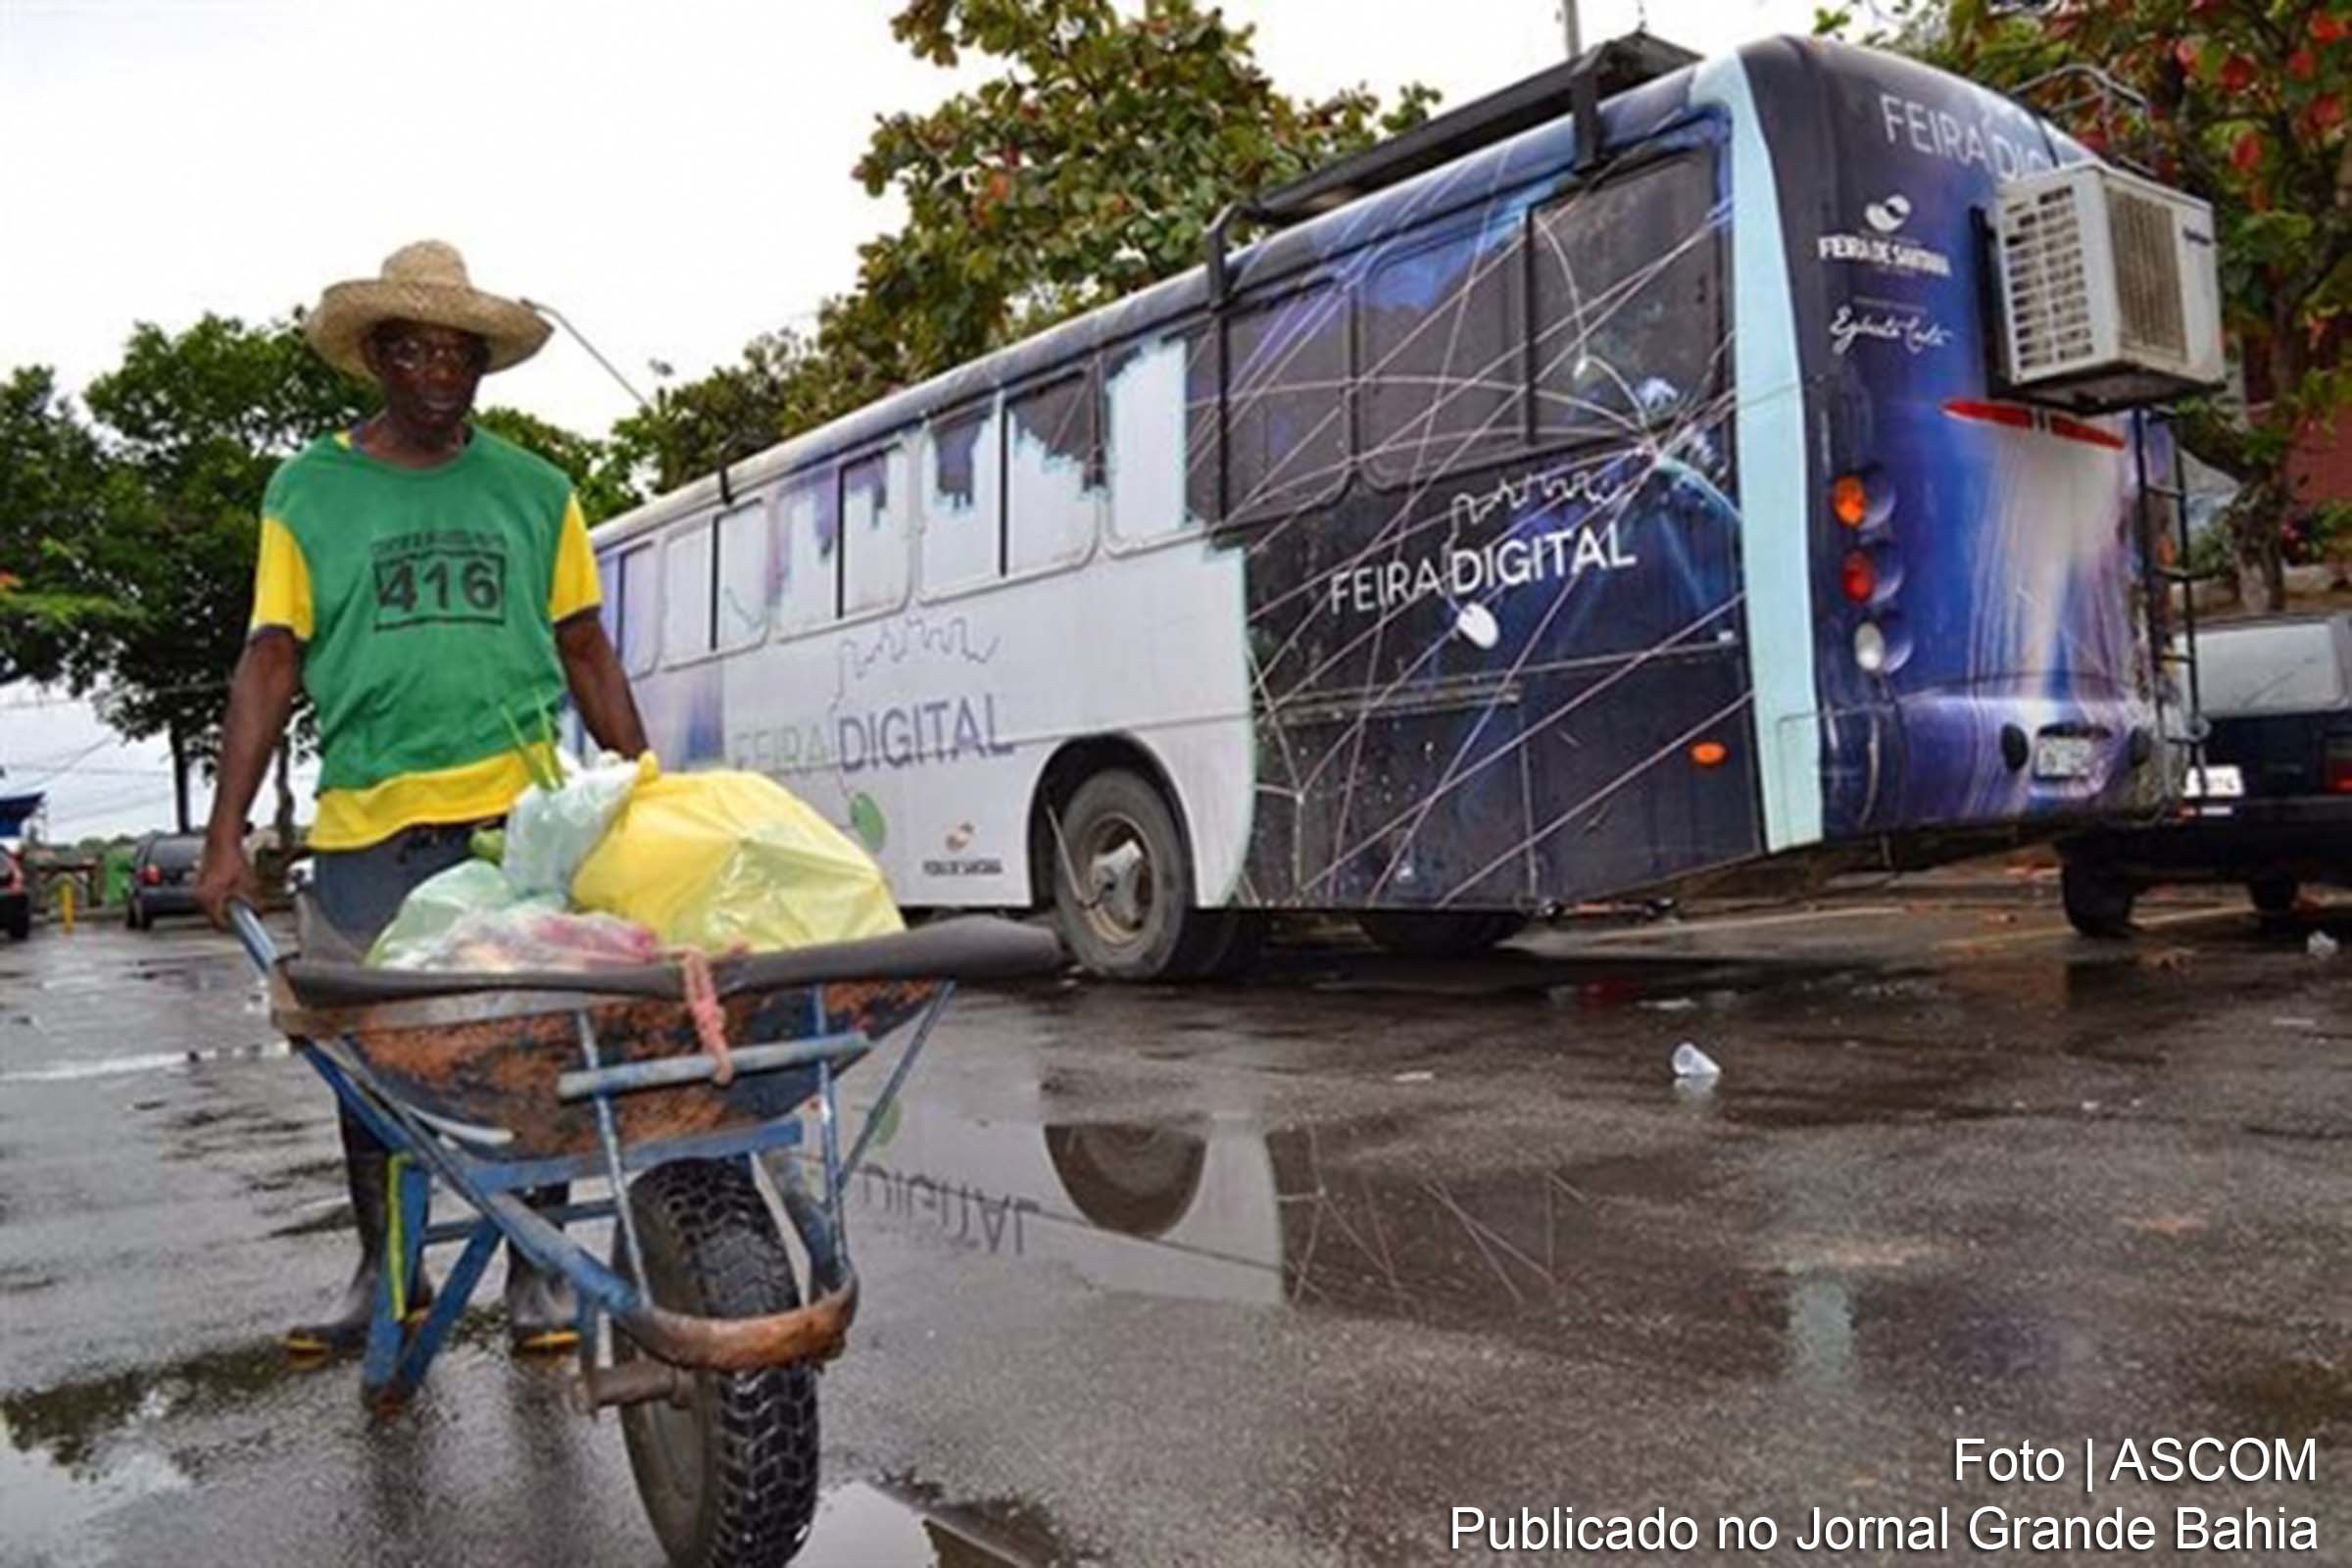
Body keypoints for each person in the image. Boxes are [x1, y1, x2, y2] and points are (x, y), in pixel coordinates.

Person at [195, 240, 648, 1356]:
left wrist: (647, 792)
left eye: (463, 354)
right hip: (367, 825)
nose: (444, 372)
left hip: (515, 820)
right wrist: (224, 834)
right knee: (368, 1072)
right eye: (420, 350)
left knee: (539, 1042)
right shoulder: (309, 488)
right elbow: (269, 658)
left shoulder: (539, 491)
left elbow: (585, 648)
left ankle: (541, 1273)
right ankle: (387, 1271)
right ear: (382, 357)